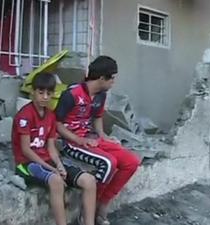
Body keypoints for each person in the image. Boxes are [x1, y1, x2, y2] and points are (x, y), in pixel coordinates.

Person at [55, 56, 141, 225]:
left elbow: (97, 117)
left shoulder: (101, 95)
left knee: (131, 162)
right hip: (71, 142)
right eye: (113, 78)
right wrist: (79, 139)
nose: (113, 82)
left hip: (90, 138)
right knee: (109, 163)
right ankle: (89, 211)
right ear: (102, 78)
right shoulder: (71, 94)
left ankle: (103, 202)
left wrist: (104, 137)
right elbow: (57, 125)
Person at [12, 72, 97, 225]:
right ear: (32, 92)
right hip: (26, 163)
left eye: (48, 93)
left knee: (89, 181)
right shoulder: (24, 116)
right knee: (56, 181)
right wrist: (51, 169)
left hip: (47, 160)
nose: (45, 97)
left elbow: (51, 147)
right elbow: (26, 150)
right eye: (41, 92)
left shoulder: (51, 116)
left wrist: (58, 165)